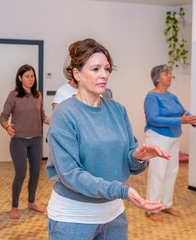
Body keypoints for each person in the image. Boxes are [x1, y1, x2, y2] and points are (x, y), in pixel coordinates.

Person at [46, 38, 171, 240]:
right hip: (74, 218)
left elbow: (130, 164)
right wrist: (122, 191)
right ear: (77, 74)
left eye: (107, 68)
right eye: (95, 69)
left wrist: (138, 157)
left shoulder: (117, 110)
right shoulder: (64, 114)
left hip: (114, 217)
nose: (103, 75)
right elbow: (71, 175)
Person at [144, 64, 196, 222]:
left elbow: (183, 112)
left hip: (174, 137)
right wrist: (180, 120)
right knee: (158, 173)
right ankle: (151, 208)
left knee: (171, 172)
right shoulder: (152, 96)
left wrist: (193, 120)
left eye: (170, 73)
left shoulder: (171, 96)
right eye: (165, 73)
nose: (169, 76)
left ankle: (165, 204)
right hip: (158, 138)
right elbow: (153, 119)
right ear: (156, 78)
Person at [0, 64, 50, 219]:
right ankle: (14, 206)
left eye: (32, 76)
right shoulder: (13, 95)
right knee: (21, 174)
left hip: (36, 140)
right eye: (27, 76)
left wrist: (58, 120)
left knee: (35, 173)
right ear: (20, 78)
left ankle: (31, 202)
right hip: (19, 141)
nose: (30, 79)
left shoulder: (38, 95)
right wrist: (7, 127)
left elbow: (43, 117)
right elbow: (3, 117)